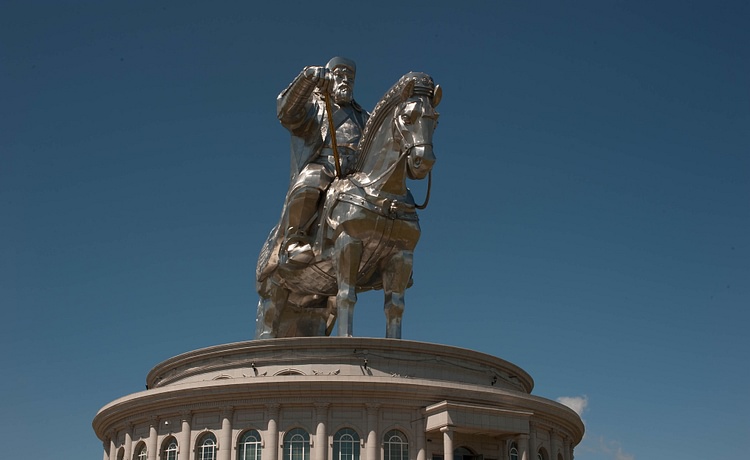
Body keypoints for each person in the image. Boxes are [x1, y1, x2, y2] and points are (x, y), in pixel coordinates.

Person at [275, 57, 369, 263]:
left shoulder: (363, 116)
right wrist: (307, 78)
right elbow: (286, 112)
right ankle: (295, 239)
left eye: (350, 78)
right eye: (340, 76)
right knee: (310, 180)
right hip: (325, 164)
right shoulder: (316, 105)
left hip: (356, 172)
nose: (345, 81)